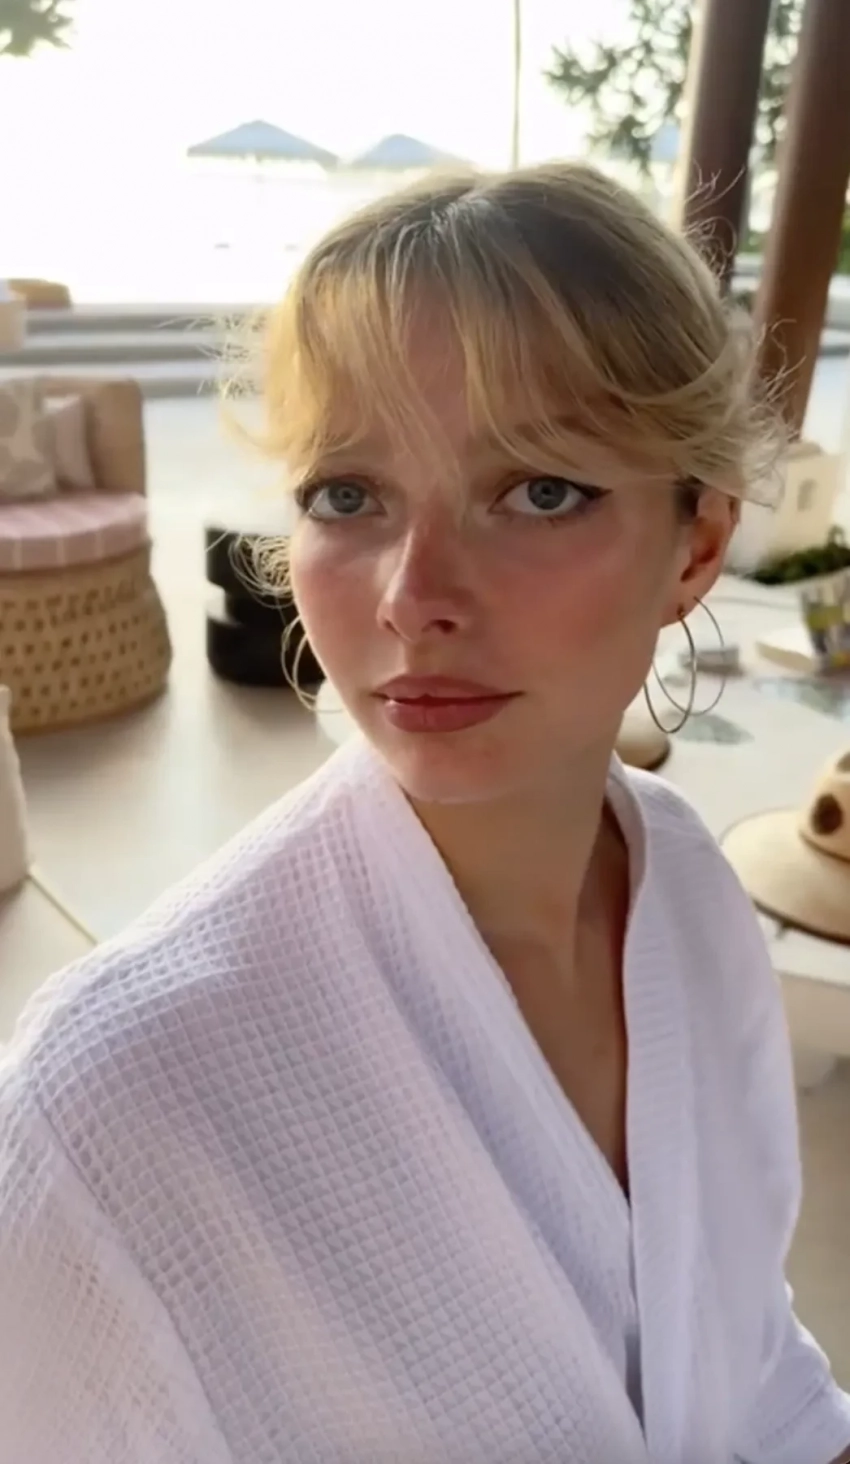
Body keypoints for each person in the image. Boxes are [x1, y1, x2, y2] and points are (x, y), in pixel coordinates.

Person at [1, 164, 848, 1464]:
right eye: (347, 494)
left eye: (540, 490)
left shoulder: (682, 886)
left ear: (694, 546)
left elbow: (742, 1354)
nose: (411, 598)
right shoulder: (110, 1110)